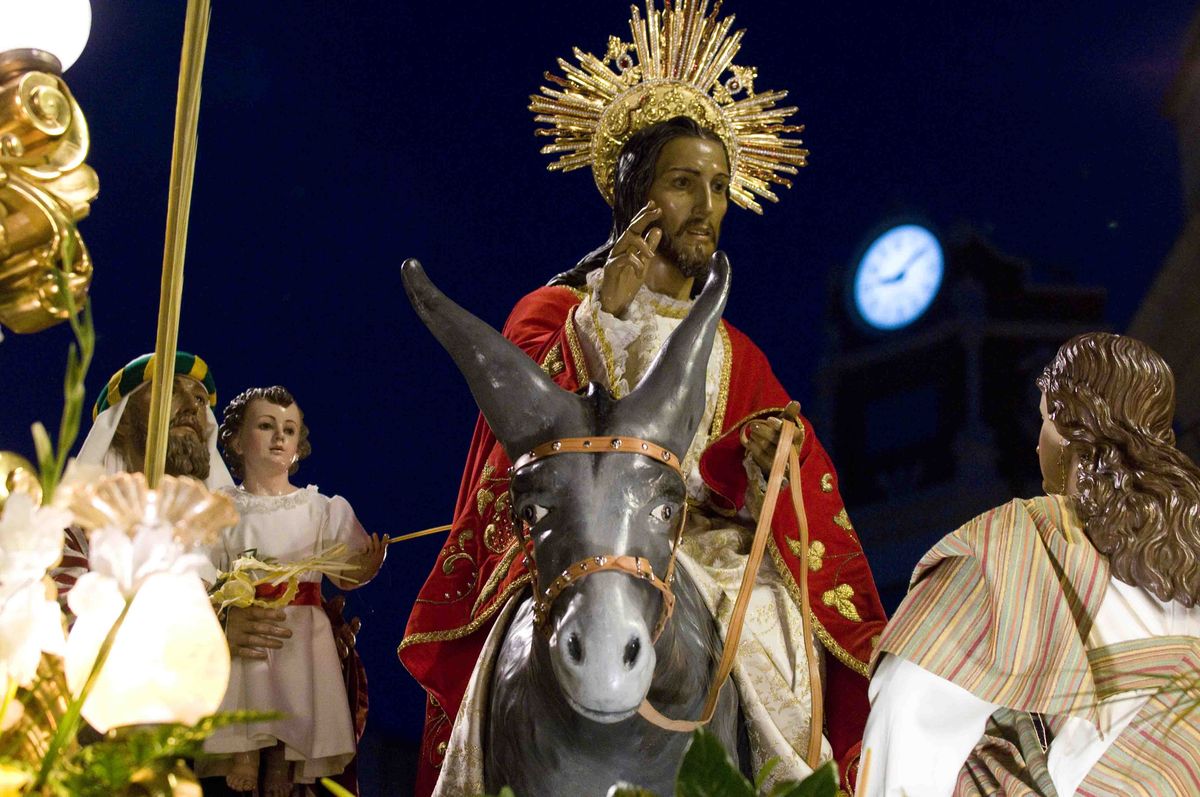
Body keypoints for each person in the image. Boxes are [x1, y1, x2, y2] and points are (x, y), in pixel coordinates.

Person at [400, 6, 887, 791]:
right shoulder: (556, 312)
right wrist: (609, 312)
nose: (707, 203)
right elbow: (530, 432)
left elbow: (785, 466)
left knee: (773, 633)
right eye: (683, 182)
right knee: (526, 639)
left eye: (720, 186)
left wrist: (768, 465)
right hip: (587, 539)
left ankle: (778, 778)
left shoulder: (734, 349)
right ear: (638, 196)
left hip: (705, 548)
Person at [858, 332, 1200, 796]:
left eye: (1044, 421)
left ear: (1070, 428)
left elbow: (912, 700)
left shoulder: (1021, 537)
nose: (1038, 446)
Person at [201, 386, 387, 795]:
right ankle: (245, 752)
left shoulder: (320, 508)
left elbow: (344, 571)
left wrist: (366, 565)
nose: (279, 437)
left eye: (289, 429)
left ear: (299, 445)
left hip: (301, 625)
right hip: (249, 617)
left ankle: (284, 765)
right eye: (266, 426)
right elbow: (203, 564)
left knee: (295, 691)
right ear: (235, 440)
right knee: (250, 674)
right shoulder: (220, 506)